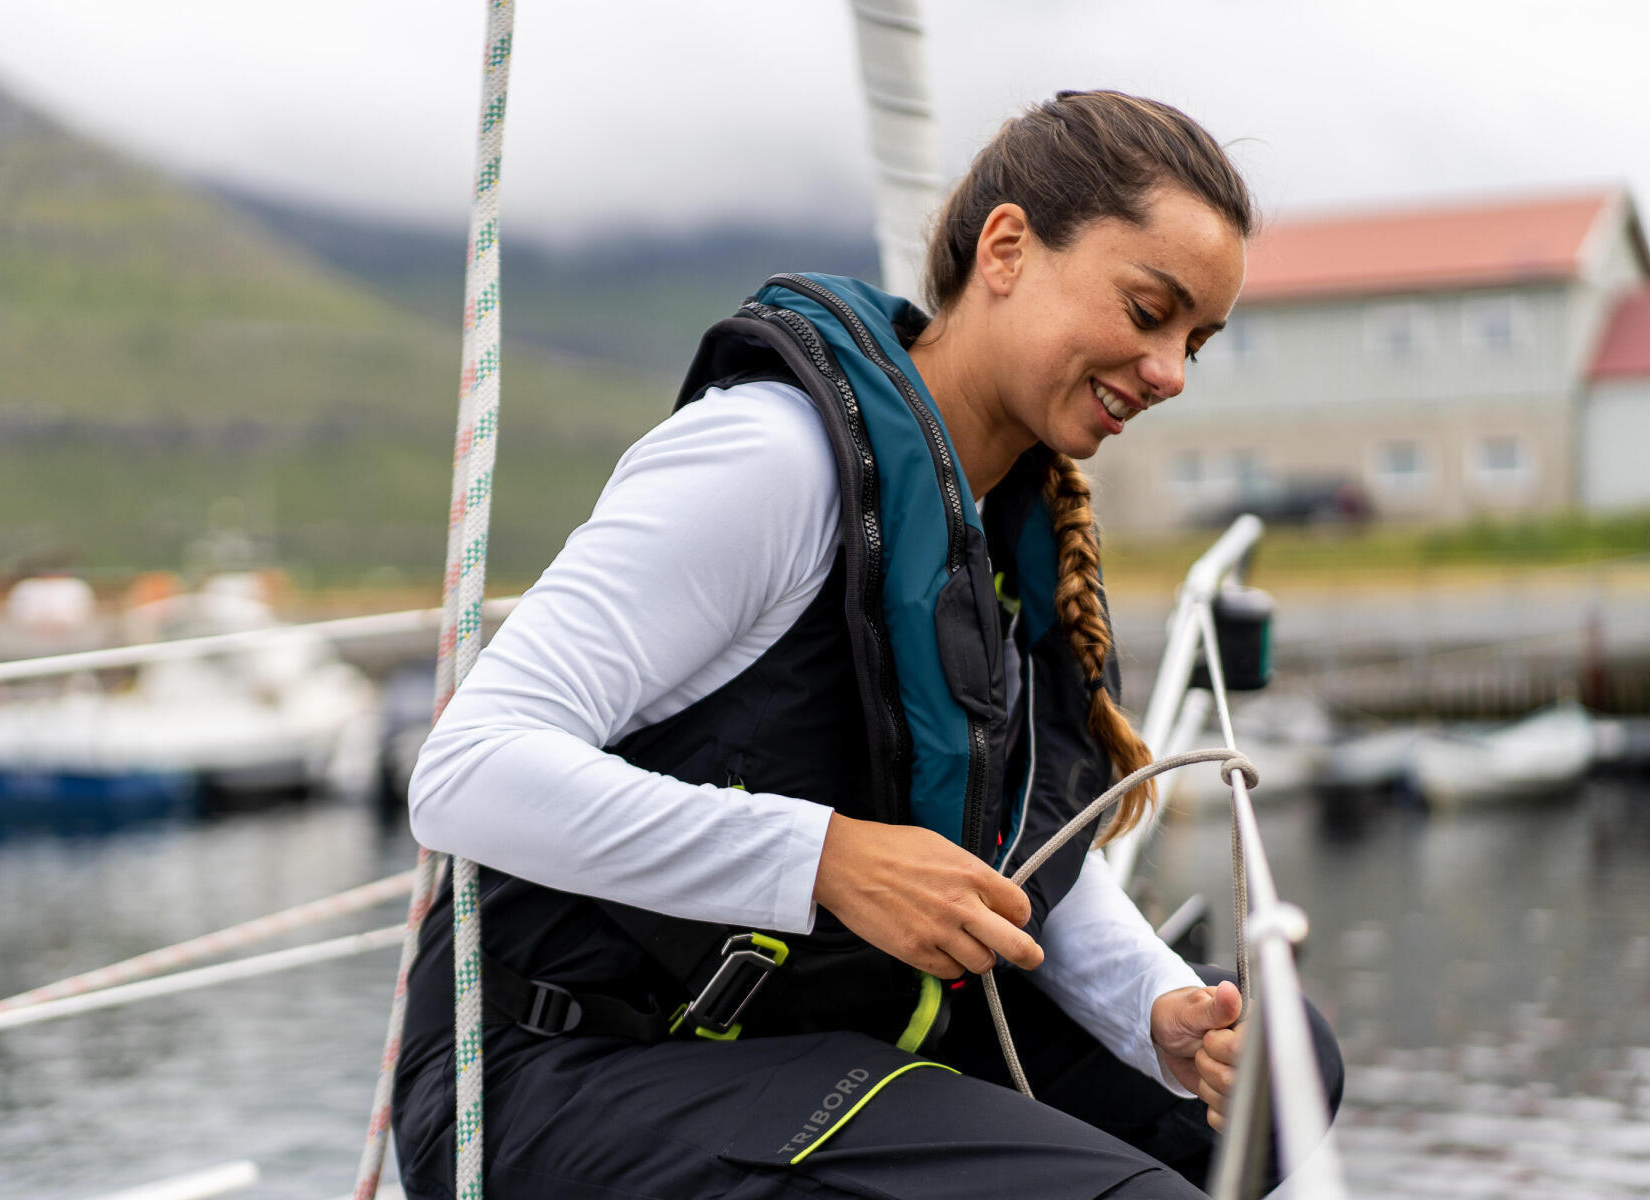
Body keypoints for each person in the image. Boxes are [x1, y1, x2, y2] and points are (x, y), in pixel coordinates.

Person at [394, 90, 1343, 1200]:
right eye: (1148, 309)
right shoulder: (771, 460)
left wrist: (1157, 1017)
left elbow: (1012, 856)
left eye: (1197, 340)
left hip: (810, 1040)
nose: (1171, 370)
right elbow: (463, 770)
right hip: (566, 1072)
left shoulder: (991, 532)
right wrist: (828, 859)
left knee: (1285, 1070)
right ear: (1007, 249)